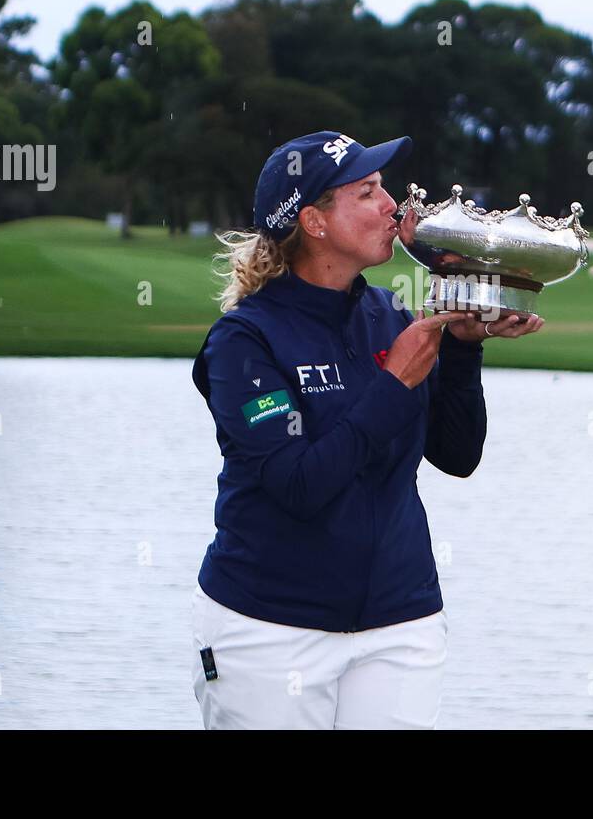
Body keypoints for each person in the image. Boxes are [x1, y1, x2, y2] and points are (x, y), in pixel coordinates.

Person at [190, 130, 543, 729]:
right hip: (267, 629)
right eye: (369, 192)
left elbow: (457, 456)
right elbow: (298, 485)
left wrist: (461, 349)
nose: (393, 206)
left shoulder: (391, 318)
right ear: (315, 222)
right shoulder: (243, 342)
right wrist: (395, 382)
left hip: (401, 624)